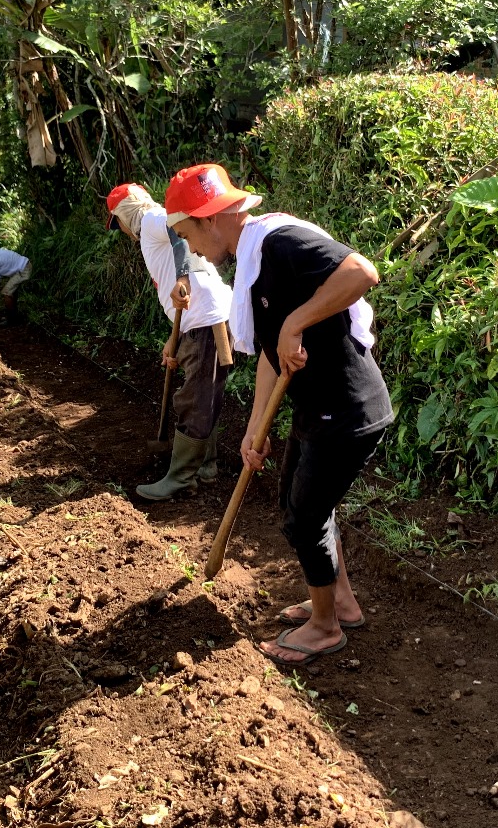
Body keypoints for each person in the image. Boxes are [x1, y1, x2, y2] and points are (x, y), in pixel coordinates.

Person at [165, 163, 392, 668]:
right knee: (300, 503)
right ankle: (340, 603)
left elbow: (361, 272)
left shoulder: (279, 242)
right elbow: (272, 353)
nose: (192, 249)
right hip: (318, 407)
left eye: (188, 234)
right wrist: (254, 428)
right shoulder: (251, 262)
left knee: (304, 515)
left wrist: (296, 322)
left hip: (348, 408)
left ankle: (325, 627)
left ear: (210, 219)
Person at [106, 183, 233, 499]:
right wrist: (172, 340)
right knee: (205, 394)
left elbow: (178, 233)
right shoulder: (152, 231)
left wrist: (183, 276)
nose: (122, 231)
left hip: (205, 319)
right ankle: (205, 466)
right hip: (207, 318)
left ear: (125, 215)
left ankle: (180, 478)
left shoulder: (151, 219)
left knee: (195, 398)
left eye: (118, 223)